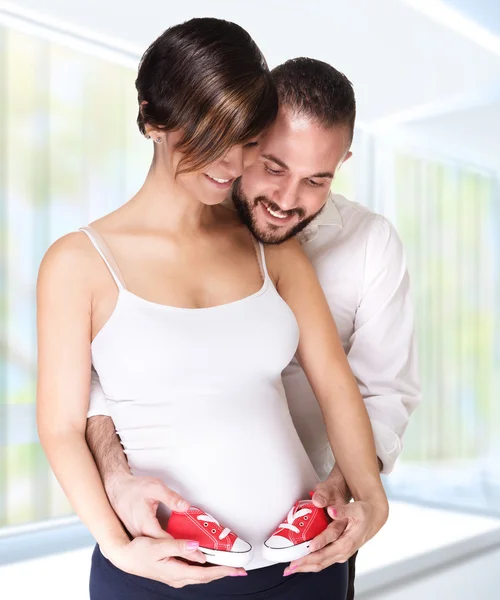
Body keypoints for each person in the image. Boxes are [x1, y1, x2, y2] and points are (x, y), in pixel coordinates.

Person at [36, 17, 388, 600]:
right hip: (161, 570)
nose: (229, 161)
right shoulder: (78, 262)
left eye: (248, 139)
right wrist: (117, 545)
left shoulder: (271, 250)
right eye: (209, 135)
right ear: (152, 119)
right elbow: (62, 425)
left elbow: (335, 384)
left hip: (305, 564)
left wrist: (370, 497)